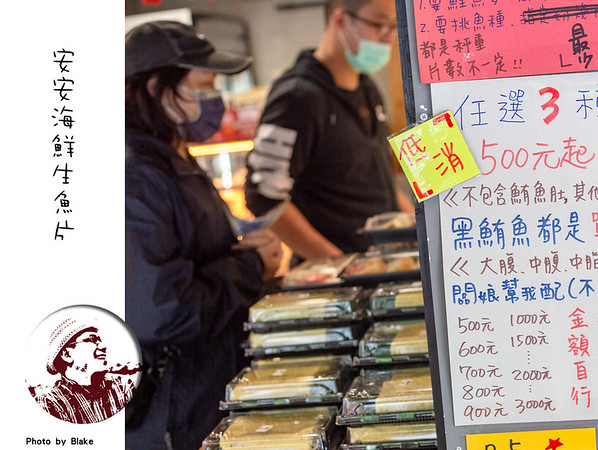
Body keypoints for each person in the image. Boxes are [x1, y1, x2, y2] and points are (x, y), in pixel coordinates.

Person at [124, 21, 283, 450]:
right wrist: (251, 265)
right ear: (158, 85)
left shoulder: (170, 153)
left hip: (203, 387)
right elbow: (164, 310)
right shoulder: (133, 173)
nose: (215, 99)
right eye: (205, 85)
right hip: (171, 410)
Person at [244, 0, 414, 261]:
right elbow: (263, 197)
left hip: (382, 265)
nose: (388, 37)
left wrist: (413, 227)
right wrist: (337, 263)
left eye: (393, 27)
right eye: (379, 24)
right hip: (337, 281)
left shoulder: (367, 88)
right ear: (340, 19)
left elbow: (376, 178)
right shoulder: (298, 97)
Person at [34, 319, 137, 424]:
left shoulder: (122, 386)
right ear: (67, 355)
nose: (103, 347)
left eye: (100, 340)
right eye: (92, 339)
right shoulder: (51, 403)